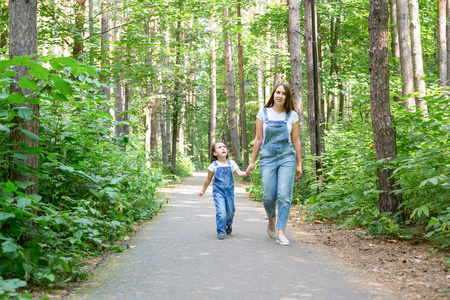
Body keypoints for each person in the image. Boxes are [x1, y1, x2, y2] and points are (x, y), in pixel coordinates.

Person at [246, 83, 302, 246]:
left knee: (284, 195)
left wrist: (299, 163)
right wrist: (252, 162)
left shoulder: (292, 115)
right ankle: (271, 218)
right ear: (273, 94)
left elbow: (296, 140)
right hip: (268, 157)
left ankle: (281, 231)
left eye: (284, 94)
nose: (280, 96)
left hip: (287, 157)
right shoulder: (263, 113)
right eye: (277, 92)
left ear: (287, 97)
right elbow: (258, 139)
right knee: (268, 196)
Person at [199, 141, 248, 239]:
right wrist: (203, 190)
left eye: (224, 147)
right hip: (218, 191)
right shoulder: (214, 165)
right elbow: (208, 179)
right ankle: (220, 230)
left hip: (229, 191)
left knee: (230, 210)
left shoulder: (231, 163)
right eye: (219, 147)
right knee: (221, 211)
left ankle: (228, 224)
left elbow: (240, 173)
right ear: (214, 153)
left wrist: (247, 172)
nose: (223, 148)